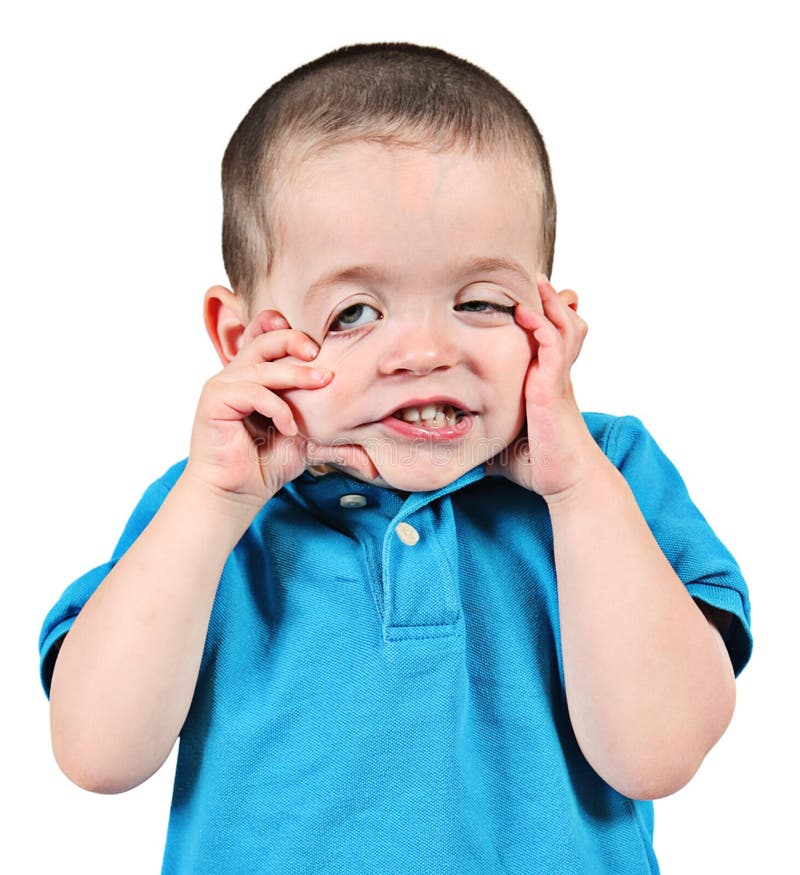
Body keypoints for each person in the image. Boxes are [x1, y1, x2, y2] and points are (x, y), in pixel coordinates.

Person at [39, 42, 752, 873]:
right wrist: (213, 503)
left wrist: (577, 486)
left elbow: (658, 753)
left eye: (481, 301)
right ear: (242, 340)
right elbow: (96, 753)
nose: (422, 351)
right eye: (354, 313)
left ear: (551, 314)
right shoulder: (211, 507)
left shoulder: (606, 472)